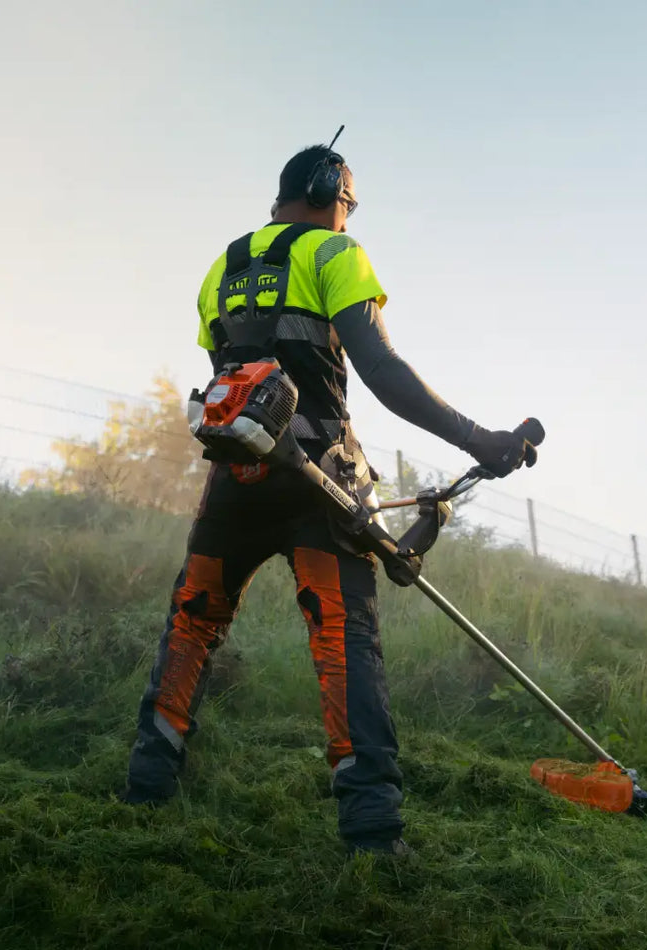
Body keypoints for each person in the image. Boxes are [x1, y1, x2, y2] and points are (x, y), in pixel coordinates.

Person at [122, 141, 538, 855]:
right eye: (349, 203)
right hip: (319, 482)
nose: (348, 217)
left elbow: (231, 378)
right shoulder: (334, 254)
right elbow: (380, 368)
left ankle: (145, 786)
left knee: (192, 622)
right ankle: (373, 831)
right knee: (344, 640)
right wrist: (481, 440)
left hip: (237, 475)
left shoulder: (221, 268)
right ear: (328, 190)